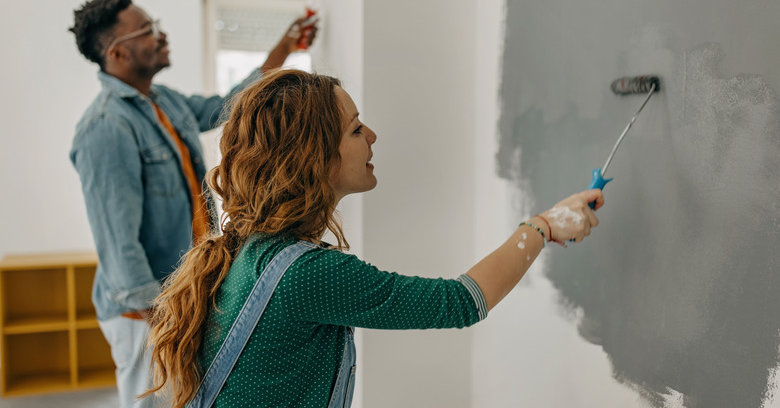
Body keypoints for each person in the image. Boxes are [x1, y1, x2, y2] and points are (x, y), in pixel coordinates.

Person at [144, 69, 604, 407]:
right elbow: (460, 302)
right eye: (356, 128)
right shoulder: (306, 275)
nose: (373, 136)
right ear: (315, 157)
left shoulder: (251, 250)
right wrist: (542, 227)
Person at [68, 0, 317, 408]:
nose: (161, 35)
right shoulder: (105, 127)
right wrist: (165, 320)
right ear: (117, 53)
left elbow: (232, 103)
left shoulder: (163, 101)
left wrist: (286, 46)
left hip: (180, 296)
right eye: (147, 31)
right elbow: (119, 246)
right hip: (145, 310)